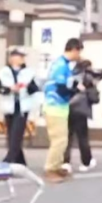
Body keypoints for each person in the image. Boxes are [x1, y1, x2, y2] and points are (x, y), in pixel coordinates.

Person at [43, 38, 83, 183]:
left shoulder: (65, 65)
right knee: (58, 140)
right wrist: (75, 91)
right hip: (55, 106)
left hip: (60, 107)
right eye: (79, 51)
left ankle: (57, 166)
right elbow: (61, 87)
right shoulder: (60, 65)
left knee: (63, 140)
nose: (79, 55)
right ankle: (50, 169)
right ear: (74, 49)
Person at [0, 48, 39, 165]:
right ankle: (20, 161)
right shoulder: (3, 72)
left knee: (16, 135)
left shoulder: (28, 72)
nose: (22, 59)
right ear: (12, 58)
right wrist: (10, 89)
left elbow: (35, 88)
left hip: (22, 109)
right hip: (9, 108)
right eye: (20, 56)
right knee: (11, 135)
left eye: (23, 57)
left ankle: (9, 159)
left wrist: (27, 86)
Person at [64, 59, 101, 172]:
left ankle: (65, 162)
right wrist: (88, 89)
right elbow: (95, 98)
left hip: (69, 108)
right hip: (81, 110)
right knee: (83, 137)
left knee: (68, 137)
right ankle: (86, 161)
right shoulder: (89, 78)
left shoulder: (71, 77)